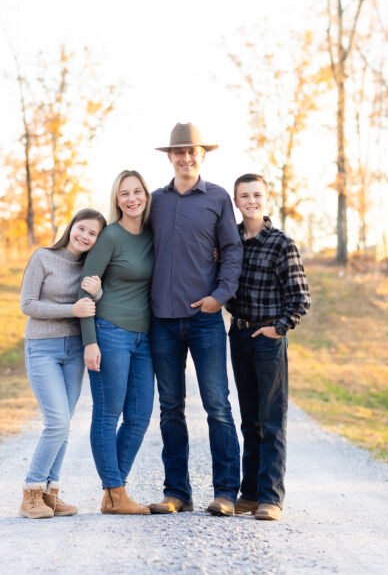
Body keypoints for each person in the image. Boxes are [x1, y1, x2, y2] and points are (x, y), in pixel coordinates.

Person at [146, 123, 244, 517]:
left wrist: (218, 297)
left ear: (203, 156)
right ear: (170, 157)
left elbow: (232, 252)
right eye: (180, 152)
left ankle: (226, 493)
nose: (187, 158)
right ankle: (177, 493)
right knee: (170, 407)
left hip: (204, 320)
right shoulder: (154, 201)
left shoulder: (218, 198)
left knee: (217, 405)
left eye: (194, 152)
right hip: (162, 322)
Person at [227, 174, 311, 521]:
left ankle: (271, 497)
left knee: (271, 419)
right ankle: (249, 494)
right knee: (249, 420)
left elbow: (300, 298)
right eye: (244, 196)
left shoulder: (281, 244)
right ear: (236, 201)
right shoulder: (229, 241)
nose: (251, 201)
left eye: (257, 195)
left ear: (267, 200)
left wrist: (277, 330)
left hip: (268, 338)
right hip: (239, 335)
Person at [19, 208, 107, 519]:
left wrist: (99, 293)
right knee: (56, 422)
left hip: (73, 352)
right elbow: (27, 305)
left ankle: (50, 494)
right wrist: (72, 310)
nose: (84, 236)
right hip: (42, 348)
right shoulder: (42, 257)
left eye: (92, 233)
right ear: (71, 227)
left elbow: (94, 306)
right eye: (81, 228)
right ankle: (30, 494)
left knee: (65, 426)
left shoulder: (91, 268)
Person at [79, 170, 155, 515]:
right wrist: (89, 341)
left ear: (146, 195)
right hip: (109, 331)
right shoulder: (109, 236)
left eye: (137, 191)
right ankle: (115, 491)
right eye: (124, 193)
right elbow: (86, 288)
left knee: (139, 417)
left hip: (144, 337)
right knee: (108, 414)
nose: (132, 199)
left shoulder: (153, 234)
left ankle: (114, 492)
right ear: (117, 199)